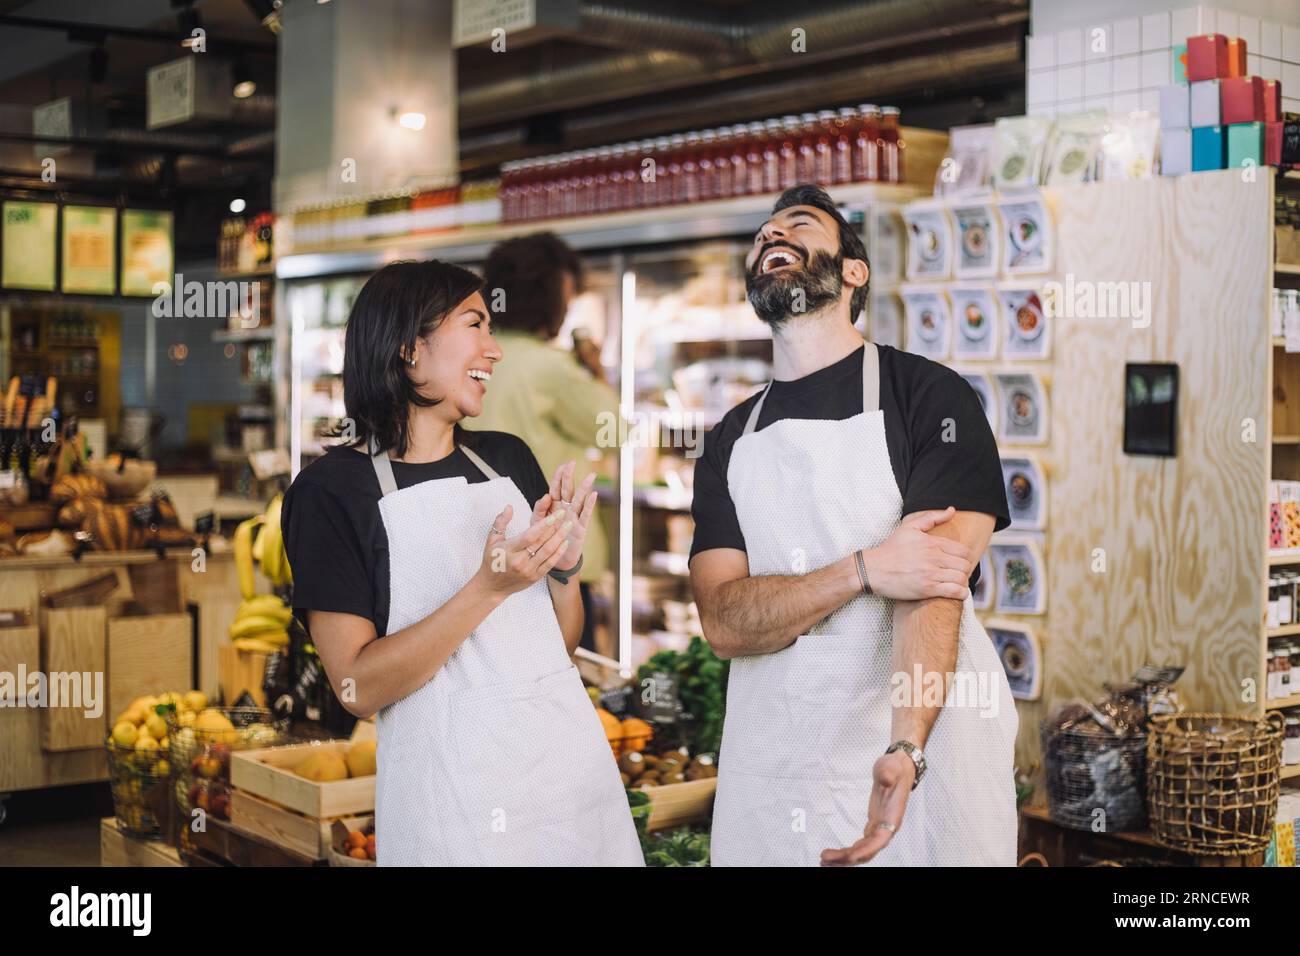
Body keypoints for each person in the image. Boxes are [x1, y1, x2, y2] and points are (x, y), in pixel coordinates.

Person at [688, 185, 1018, 867]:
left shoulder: (929, 396)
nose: (770, 235)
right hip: (776, 759)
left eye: (798, 224)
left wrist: (905, 747)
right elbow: (724, 621)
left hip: (916, 748)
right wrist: (863, 569)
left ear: (853, 272)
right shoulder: (727, 439)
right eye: (760, 235)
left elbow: (931, 586)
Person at [281, 259, 643, 867]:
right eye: (475, 324)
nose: (494, 350)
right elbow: (357, 686)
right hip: (450, 805)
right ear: (407, 348)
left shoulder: (507, 461)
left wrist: (563, 571)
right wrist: (487, 589)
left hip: (566, 783)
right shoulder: (328, 494)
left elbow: (555, 651)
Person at [469, 233, 619, 653]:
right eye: (567, 296)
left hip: (484, 557)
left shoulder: (476, 357)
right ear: (549, 296)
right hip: (552, 559)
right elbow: (616, 431)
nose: (568, 307)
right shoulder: (552, 368)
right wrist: (596, 370)